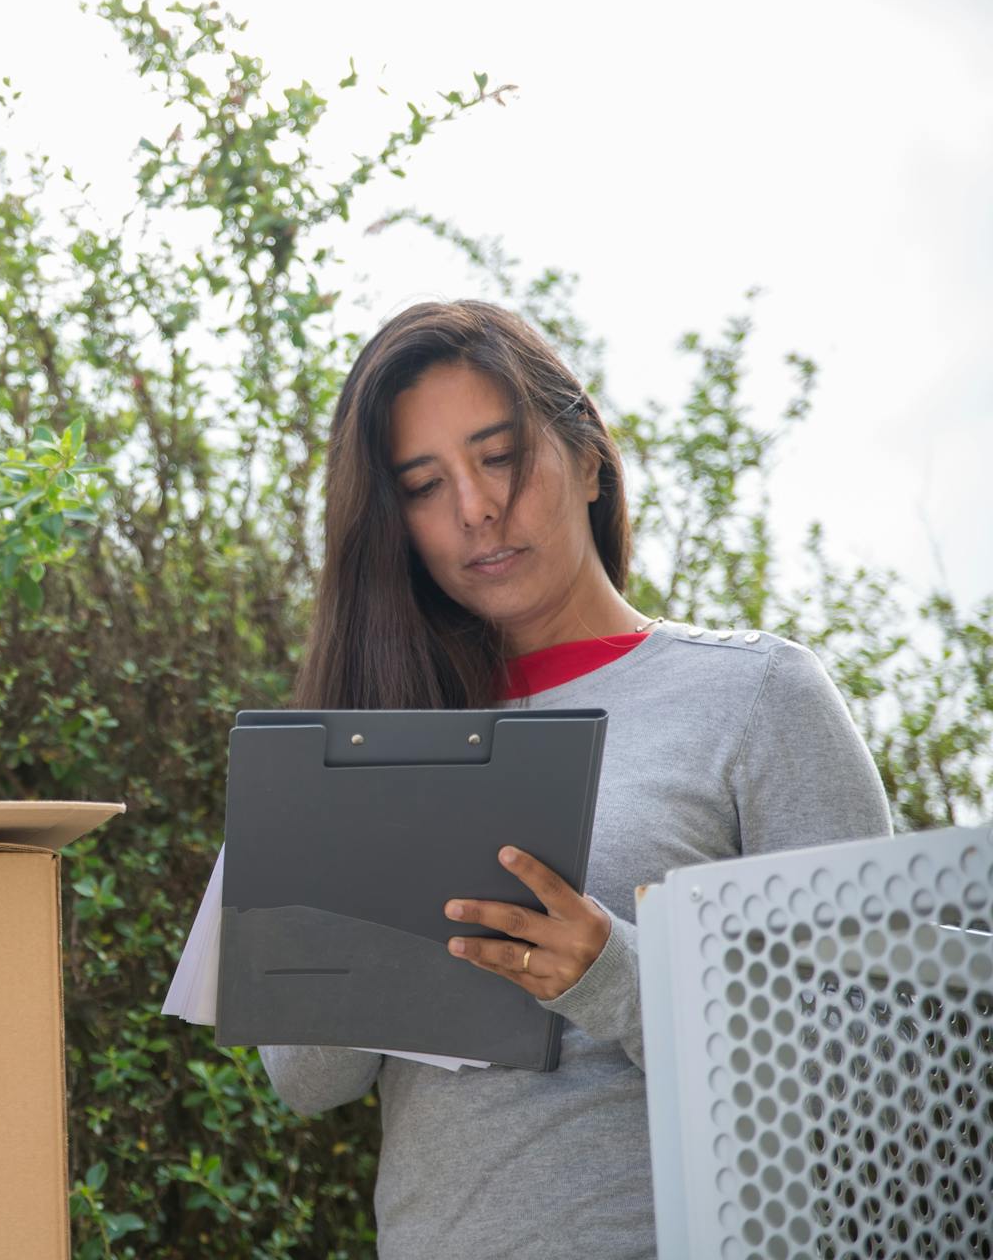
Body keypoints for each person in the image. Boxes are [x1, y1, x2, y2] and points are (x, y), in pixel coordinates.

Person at [258, 301, 892, 1258]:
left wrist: (617, 978)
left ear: (589, 458)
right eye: (425, 485)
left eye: (500, 455)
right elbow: (309, 1080)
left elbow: (874, 1063)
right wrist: (343, 889)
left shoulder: (757, 696)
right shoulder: (372, 743)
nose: (475, 507)